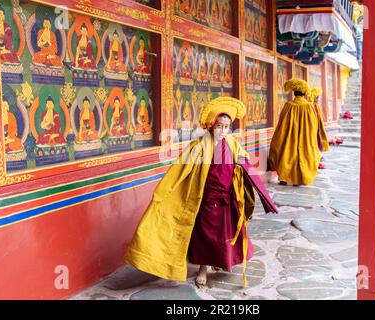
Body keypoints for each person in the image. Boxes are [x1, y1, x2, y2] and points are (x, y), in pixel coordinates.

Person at [125, 96, 278, 287]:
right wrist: (164, 192)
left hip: (228, 196)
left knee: (226, 232)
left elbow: (244, 160)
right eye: (219, 126)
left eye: (227, 126)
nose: (223, 131)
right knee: (205, 235)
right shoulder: (198, 147)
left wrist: (245, 169)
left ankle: (221, 261)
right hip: (206, 198)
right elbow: (180, 171)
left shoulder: (231, 142)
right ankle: (203, 269)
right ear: (211, 125)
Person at [268, 79, 320, 186]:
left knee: (287, 153)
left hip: (289, 136)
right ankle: (299, 179)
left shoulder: (288, 105)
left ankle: (284, 178)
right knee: (303, 154)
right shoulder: (309, 106)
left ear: (294, 93)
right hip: (304, 136)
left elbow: (282, 123)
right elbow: (313, 124)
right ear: (305, 93)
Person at [309, 87, 330, 169]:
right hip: (312, 129)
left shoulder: (316, 105)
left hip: (316, 128)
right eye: (317, 97)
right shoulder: (310, 106)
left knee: (317, 143)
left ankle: (317, 158)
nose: (318, 99)